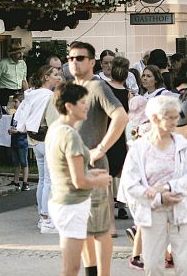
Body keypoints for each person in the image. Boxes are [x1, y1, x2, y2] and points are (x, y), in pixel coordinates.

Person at [68, 41, 128, 276]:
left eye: (80, 58)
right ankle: (91, 271)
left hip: (94, 168)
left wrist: (101, 148)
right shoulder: (72, 87)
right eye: (71, 58)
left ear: (92, 62)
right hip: (75, 169)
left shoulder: (98, 87)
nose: (74, 62)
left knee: (100, 228)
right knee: (81, 226)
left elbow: (121, 117)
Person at [45, 82, 112, 276]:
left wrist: (92, 174)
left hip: (64, 201)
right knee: (71, 268)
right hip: (71, 204)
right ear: (69, 106)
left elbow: (67, 170)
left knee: (71, 266)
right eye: (83, 102)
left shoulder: (56, 128)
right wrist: (98, 181)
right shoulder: (70, 135)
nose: (87, 106)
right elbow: (79, 181)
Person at [120, 95, 187, 276]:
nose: (176, 121)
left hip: (179, 208)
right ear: (155, 118)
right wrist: (158, 197)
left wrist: (168, 189)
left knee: (184, 264)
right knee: (152, 264)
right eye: (170, 117)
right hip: (151, 211)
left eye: (176, 116)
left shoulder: (183, 145)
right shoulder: (139, 148)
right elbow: (130, 184)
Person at [14, 65, 61, 233]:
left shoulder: (31, 94)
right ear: (46, 77)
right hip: (48, 139)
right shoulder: (49, 96)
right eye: (55, 74)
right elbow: (54, 121)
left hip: (34, 139)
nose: (58, 77)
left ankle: (43, 217)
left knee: (43, 179)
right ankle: (47, 219)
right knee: (49, 180)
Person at [105, 56, 130, 229]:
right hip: (122, 137)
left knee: (106, 177)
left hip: (106, 134)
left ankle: (110, 221)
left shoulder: (105, 89)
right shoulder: (128, 93)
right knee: (122, 175)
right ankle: (122, 207)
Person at [0, 43, 28, 108]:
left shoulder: (22, 63)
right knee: (5, 114)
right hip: (5, 93)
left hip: (19, 93)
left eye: (21, 52)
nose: (21, 55)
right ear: (12, 54)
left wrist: (28, 95)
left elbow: (24, 80)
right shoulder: (2, 64)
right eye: (18, 53)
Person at [8, 93, 29, 190]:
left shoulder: (25, 115)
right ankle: (16, 181)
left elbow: (28, 129)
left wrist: (18, 131)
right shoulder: (14, 115)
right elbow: (13, 126)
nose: (14, 104)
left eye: (16, 102)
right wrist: (11, 130)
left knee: (24, 162)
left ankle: (25, 182)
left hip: (22, 141)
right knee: (16, 162)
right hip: (15, 141)